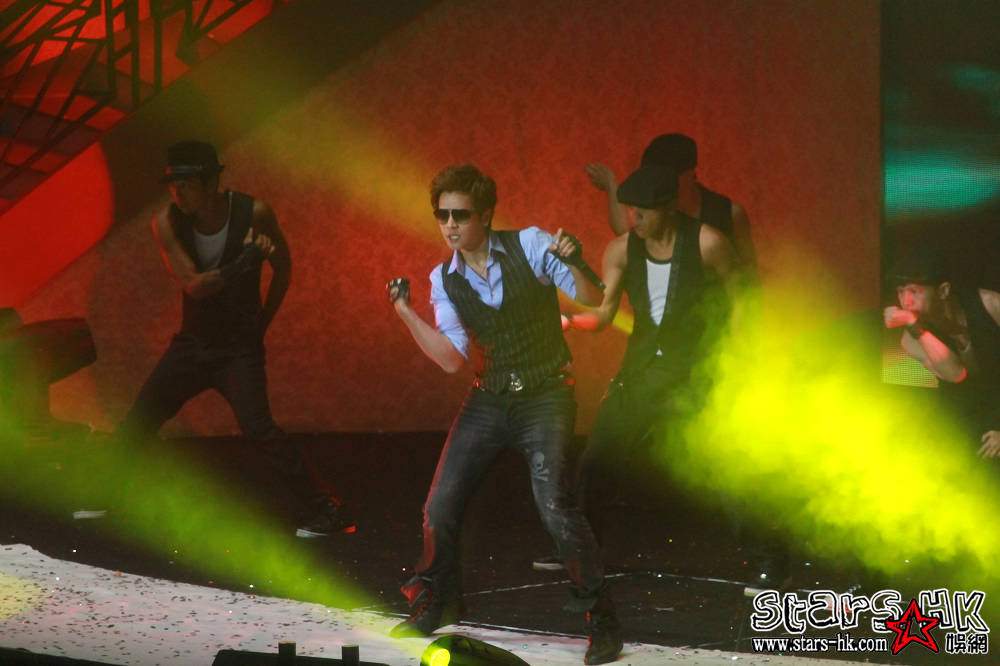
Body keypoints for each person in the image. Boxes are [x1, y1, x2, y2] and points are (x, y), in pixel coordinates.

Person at [386, 164, 622, 665]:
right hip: (490, 396)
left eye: (461, 214)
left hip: (546, 393)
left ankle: (600, 617)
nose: (450, 225)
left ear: (486, 215)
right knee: (439, 506)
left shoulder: (530, 245)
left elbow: (593, 297)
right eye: (442, 215)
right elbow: (452, 359)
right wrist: (406, 313)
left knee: (554, 505)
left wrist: (575, 262)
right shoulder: (444, 279)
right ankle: (438, 600)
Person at [119, 140, 354, 537]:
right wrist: (244, 261)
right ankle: (103, 495)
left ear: (212, 182)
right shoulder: (166, 222)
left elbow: (283, 267)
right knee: (138, 421)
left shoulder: (253, 213)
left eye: (187, 184)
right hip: (193, 343)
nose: (178, 193)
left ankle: (326, 509)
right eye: (172, 185)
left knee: (259, 429)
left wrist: (263, 322)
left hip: (237, 348)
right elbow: (195, 286)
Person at [884, 249, 1000, 458]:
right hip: (981, 413)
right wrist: (913, 325)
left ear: (943, 291)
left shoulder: (991, 304)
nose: (906, 301)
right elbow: (956, 374)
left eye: (914, 291)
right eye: (901, 292)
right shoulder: (912, 338)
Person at [585, 133, 755, 272]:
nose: (658, 184)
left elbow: (749, 271)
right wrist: (611, 185)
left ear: (690, 174)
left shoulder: (728, 213)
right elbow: (625, 232)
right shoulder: (654, 205)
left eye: (667, 177)